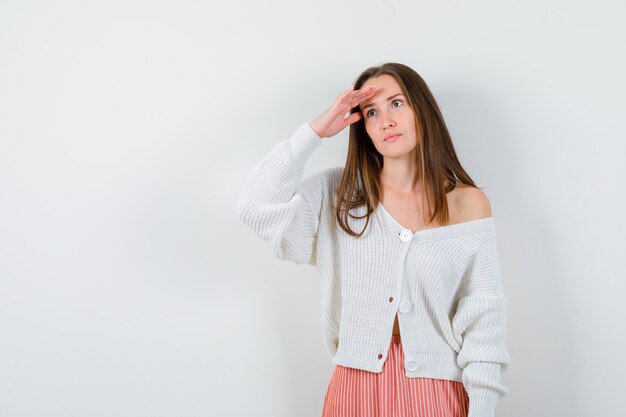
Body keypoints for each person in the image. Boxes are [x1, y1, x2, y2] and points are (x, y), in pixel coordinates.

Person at [235, 62, 511, 417]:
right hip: (353, 389)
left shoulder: (467, 203)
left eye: (396, 104)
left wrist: (483, 409)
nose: (386, 121)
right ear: (362, 126)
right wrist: (316, 131)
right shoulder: (339, 194)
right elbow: (255, 205)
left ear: (421, 110)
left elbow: (484, 316)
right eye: (371, 112)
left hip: (437, 391)